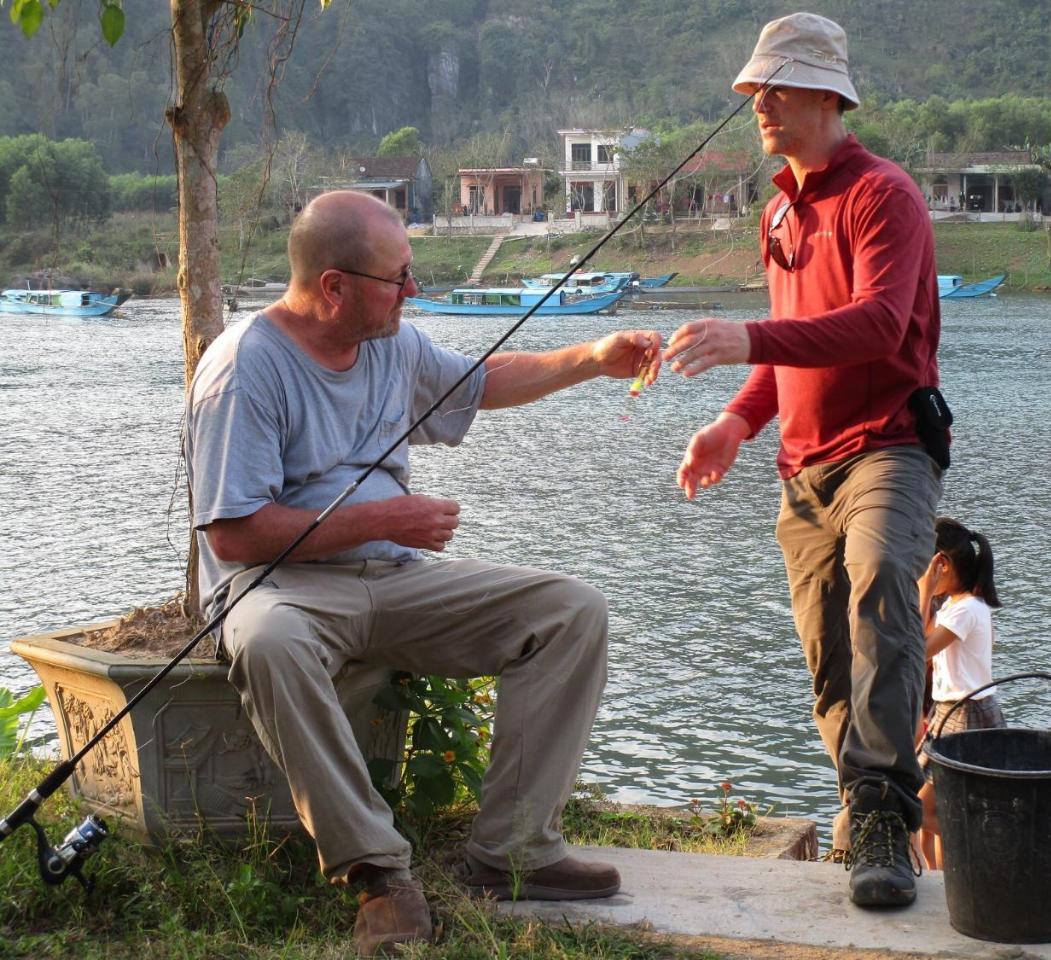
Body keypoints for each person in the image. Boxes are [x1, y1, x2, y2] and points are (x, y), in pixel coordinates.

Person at [184, 190, 661, 957]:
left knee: (569, 611)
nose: (412, 291)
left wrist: (591, 361)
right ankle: (378, 874)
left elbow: (480, 382)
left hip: (394, 577)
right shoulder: (245, 368)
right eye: (396, 277)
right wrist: (384, 518)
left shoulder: (391, 342)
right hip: (281, 590)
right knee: (267, 642)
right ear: (333, 287)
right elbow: (235, 534)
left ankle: (513, 850)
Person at [662, 12, 944, 908]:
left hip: (888, 446)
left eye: (777, 88)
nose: (759, 104)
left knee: (879, 588)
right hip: (800, 467)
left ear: (829, 94)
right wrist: (736, 425)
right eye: (754, 90)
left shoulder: (882, 195)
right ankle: (866, 814)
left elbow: (875, 326)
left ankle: (884, 821)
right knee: (829, 660)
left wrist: (744, 334)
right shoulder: (780, 210)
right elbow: (793, 356)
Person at [914, 517, 1005, 870]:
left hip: (966, 713)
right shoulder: (956, 605)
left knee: (925, 809)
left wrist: (924, 590)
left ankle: (977, 857)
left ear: (943, 565)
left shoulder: (966, 609)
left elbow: (918, 650)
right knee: (930, 810)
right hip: (948, 711)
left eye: (926, 563)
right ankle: (944, 880)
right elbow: (920, 634)